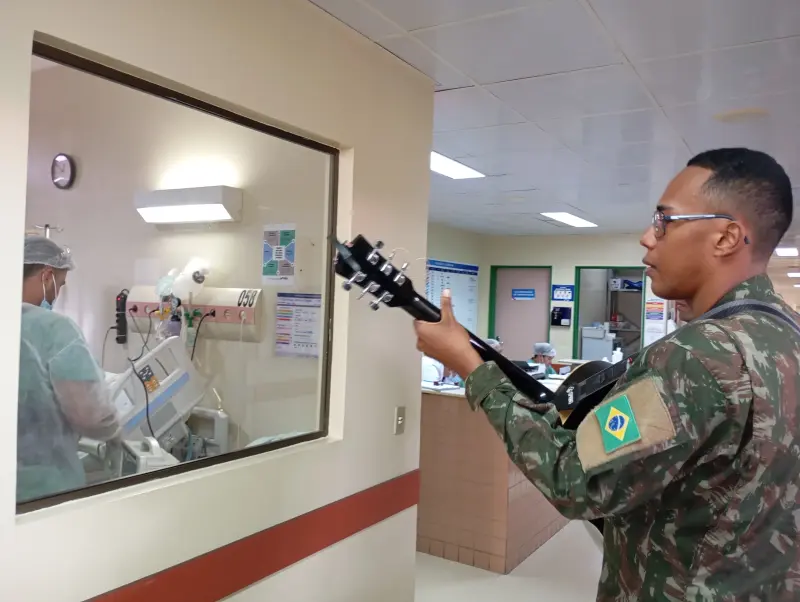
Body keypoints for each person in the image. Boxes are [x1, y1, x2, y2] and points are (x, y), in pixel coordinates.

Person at [414, 148, 799, 600]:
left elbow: (574, 479)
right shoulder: (786, 332)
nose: (647, 237)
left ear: (727, 237)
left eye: (664, 221)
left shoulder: (694, 356)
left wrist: (472, 369)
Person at [17, 236, 120, 503]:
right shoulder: (55, 330)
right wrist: (115, 430)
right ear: (47, 275)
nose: (57, 294)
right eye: (60, 284)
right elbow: (93, 417)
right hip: (42, 491)